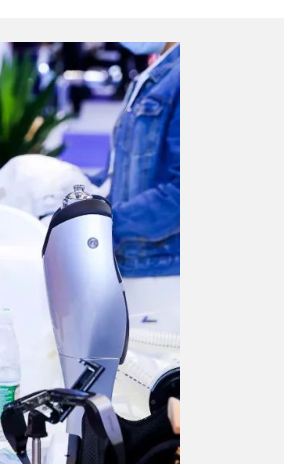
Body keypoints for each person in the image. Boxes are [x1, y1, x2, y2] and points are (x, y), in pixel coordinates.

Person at [100, 42, 180, 326]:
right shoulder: (157, 75)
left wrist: (106, 224)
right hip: (136, 263)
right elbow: (123, 169)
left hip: (162, 270)